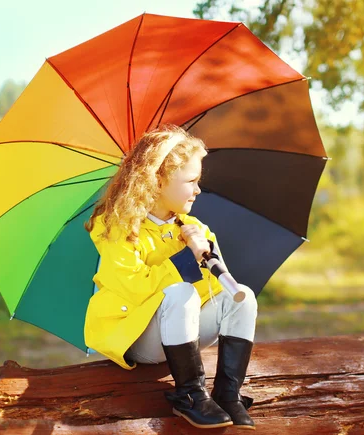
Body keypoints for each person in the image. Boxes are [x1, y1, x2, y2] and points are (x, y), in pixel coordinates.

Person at [83, 125, 258, 430]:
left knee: (241, 295)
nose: (198, 190)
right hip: (138, 335)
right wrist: (184, 261)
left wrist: (209, 257)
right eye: (191, 181)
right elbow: (136, 288)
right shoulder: (117, 227)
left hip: (182, 333)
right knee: (181, 293)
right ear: (158, 181)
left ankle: (227, 394)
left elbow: (216, 292)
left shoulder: (194, 229)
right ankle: (189, 395)